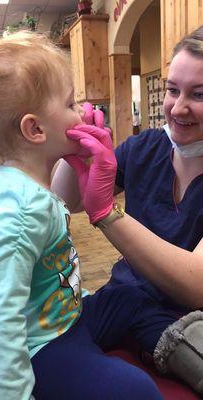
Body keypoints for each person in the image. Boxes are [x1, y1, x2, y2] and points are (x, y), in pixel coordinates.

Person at [0, 31, 162, 400]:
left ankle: (178, 346)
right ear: (36, 129)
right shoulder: (18, 212)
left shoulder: (32, 186)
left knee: (134, 297)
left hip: (71, 314)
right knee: (137, 390)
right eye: (70, 104)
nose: (82, 111)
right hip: (44, 344)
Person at [52, 25, 203, 395]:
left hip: (181, 321)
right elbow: (63, 201)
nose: (177, 107)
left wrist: (106, 212)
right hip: (120, 300)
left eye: (199, 95)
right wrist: (74, 152)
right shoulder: (144, 148)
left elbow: (196, 286)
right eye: (172, 90)